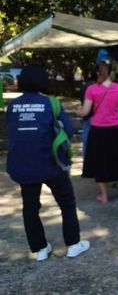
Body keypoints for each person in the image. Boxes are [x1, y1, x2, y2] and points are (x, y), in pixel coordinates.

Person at [6, 64, 90, 261]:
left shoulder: (12, 106)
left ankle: (40, 249)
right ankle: (73, 245)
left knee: (30, 207)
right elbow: (68, 132)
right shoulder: (52, 104)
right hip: (51, 164)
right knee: (67, 203)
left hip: (23, 165)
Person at [78, 57, 118, 204]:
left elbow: (85, 112)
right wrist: (117, 108)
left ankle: (104, 196)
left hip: (98, 130)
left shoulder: (91, 89)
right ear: (111, 72)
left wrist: (78, 111)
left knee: (100, 162)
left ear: (97, 73)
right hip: (115, 129)